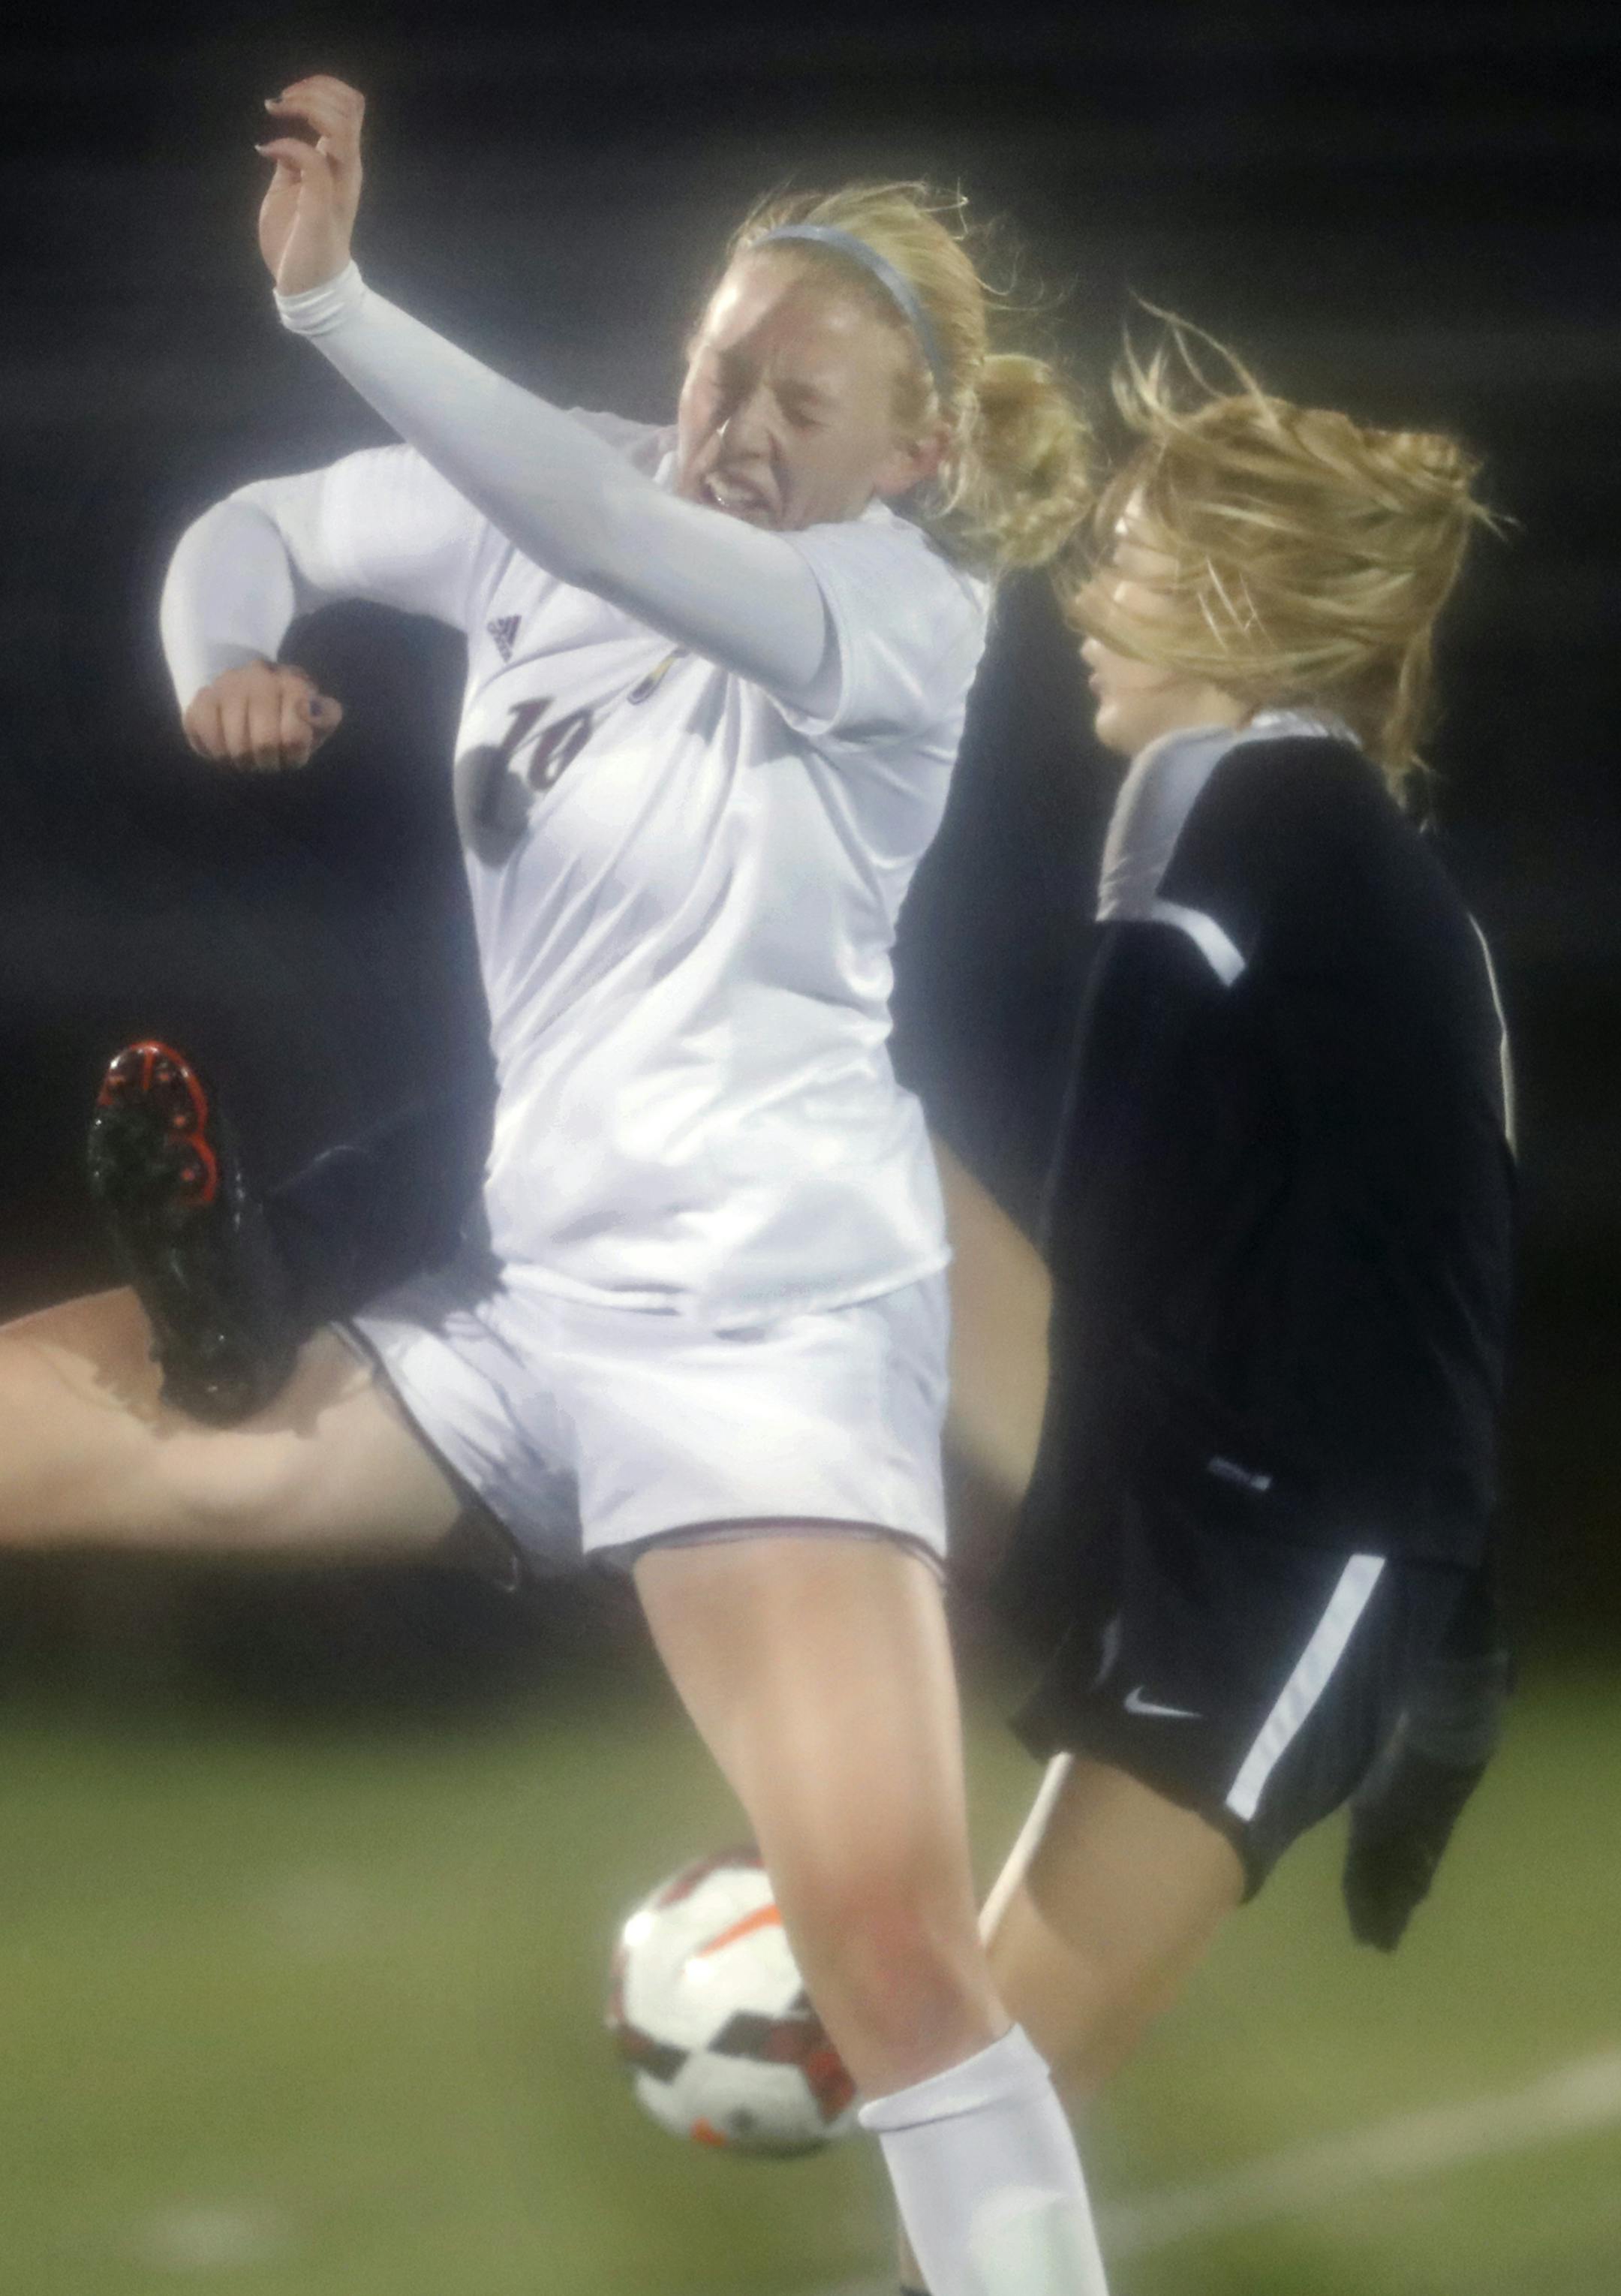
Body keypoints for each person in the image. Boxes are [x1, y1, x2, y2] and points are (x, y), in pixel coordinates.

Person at [0, 75, 1110, 2296]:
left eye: (805, 396)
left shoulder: (897, 614)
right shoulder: (577, 482)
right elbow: (268, 527)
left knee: (889, 1955)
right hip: (529, 1307)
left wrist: (339, 309)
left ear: (913, 452)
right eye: (717, 363)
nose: (735, 419)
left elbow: (601, 544)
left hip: (760, 1333)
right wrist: (218, 653)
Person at [898, 323, 1515, 2292]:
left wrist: (1064, 1567)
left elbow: (1128, 1241)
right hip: (1272, 1546)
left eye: (1137, 563)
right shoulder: (1354, 849)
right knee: (973, 2116)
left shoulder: (1217, 812)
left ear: (1243, 598)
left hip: (1275, 1569)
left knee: (975, 2105)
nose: (1086, 602)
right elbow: (1439, 1288)